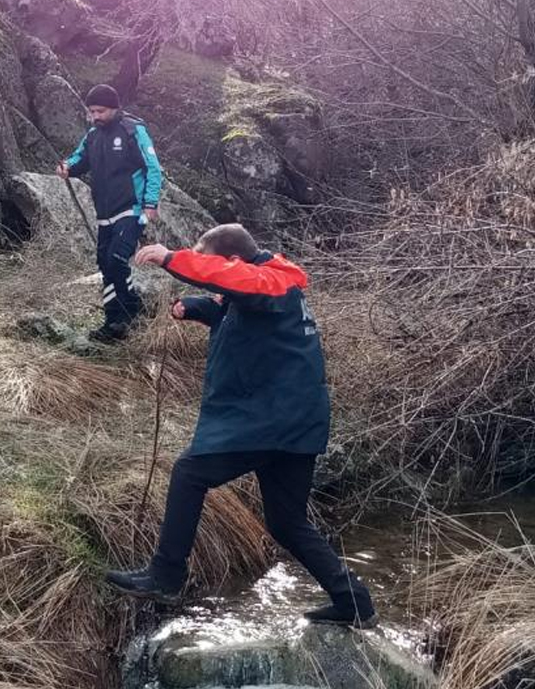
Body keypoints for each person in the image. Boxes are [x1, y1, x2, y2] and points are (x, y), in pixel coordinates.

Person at [104, 223, 378, 629]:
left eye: (211, 264)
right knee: (287, 523)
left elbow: (240, 286)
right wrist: (195, 308)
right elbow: (235, 307)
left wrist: (170, 259)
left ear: (232, 260)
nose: (210, 273)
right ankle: (353, 601)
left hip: (272, 421)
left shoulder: (271, 282)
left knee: (189, 473)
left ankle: (166, 576)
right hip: (294, 422)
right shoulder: (271, 287)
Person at [56, 83, 163, 343]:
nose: (95, 116)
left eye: (100, 111)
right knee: (105, 265)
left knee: (116, 259)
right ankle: (114, 319)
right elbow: (79, 159)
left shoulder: (133, 130)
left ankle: (127, 315)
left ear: (114, 108)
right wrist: (67, 167)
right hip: (104, 213)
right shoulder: (93, 135)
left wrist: (150, 204)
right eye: (92, 111)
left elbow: (153, 168)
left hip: (132, 210)